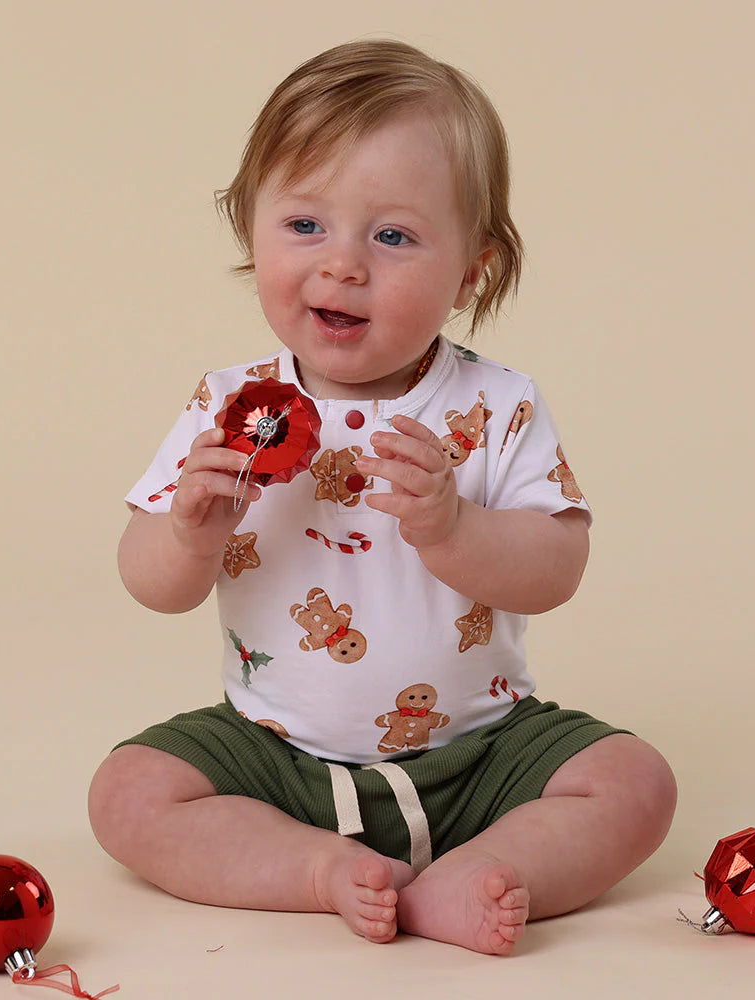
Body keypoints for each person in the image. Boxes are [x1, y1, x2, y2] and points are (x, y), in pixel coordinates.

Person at [88, 39, 677, 956]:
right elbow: (148, 581)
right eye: (305, 225)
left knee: (636, 782)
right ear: (252, 228)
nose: (344, 265)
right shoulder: (225, 405)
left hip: (480, 749)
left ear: (472, 271)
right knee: (128, 792)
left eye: (393, 236)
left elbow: (557, 567)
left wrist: (454, 529)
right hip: (276, 751)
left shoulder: (495, 405)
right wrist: (189, 534)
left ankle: (479, 874)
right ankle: (312, 870)